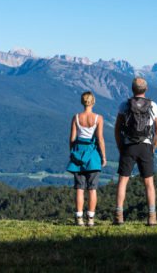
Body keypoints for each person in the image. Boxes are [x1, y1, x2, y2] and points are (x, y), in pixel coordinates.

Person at [114, 77, 157, 226]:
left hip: (129, 146)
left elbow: (117, 129)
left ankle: (119, 216)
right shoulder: (153, 106)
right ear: (146, 89)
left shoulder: (125, 105)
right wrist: (153, 147)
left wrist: (121, 146)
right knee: (149, 183)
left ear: (132, 89)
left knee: (123, 181)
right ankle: (152, 217)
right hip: (146, 145)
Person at [67, 91, 107, 226]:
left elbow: (72, 138)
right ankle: (90, 218)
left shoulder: (76, 117)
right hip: (92, 156)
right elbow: (100, 138)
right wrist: (103, 156)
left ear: (82, 102)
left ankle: (78, 218)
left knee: (79, 188)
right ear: (93, 102)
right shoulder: (98, 118)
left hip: (78, 154)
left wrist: (72, 153)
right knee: (92, 189)